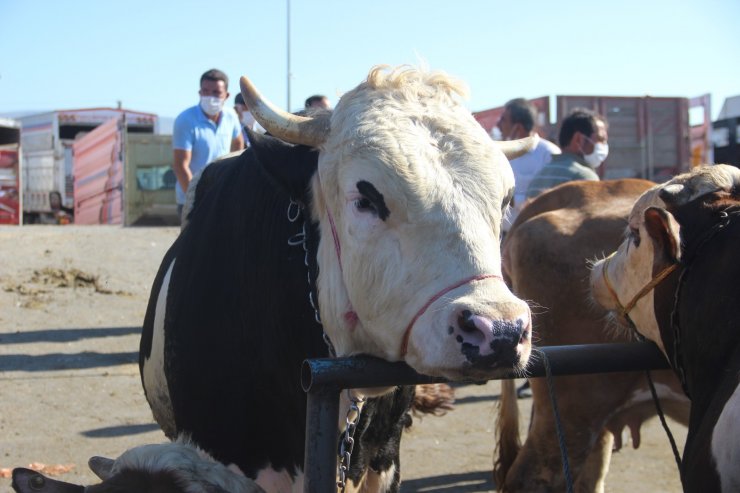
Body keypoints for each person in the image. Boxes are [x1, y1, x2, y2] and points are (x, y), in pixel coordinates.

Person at [172, 69, 244, 217]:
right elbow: (180, 166)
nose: (210, 97)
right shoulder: (185, 120)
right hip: (192, 199)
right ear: (200, 92)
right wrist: (196, 198)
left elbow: (238, 143)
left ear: (227, 95)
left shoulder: (231, 116)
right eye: (206, 91)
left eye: (216, 92)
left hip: (222, 196)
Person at [496, 98, 561, 231]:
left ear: (518, 127)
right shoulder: (500, 155)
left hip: (534, 235)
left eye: (503, 120)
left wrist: (513, 200)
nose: (498, 125)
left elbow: (550, 198)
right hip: (504, 237)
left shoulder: (549, 153)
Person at [525, 108, 608, 200]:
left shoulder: (539, 177)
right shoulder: (584, 177)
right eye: (600, 139)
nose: (604, 146)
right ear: (579, 139)